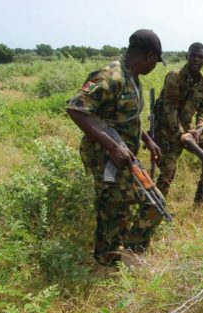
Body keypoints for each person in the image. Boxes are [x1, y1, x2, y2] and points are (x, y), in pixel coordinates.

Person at [66, 29, 165, 266]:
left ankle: (123, 255)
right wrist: (112, 147)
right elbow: (76, 109)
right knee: (117, 208)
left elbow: (124, 117)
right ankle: (108, 261)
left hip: (125, 157)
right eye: (156, 61)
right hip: (106, 158)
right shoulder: (111, 76)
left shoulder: (132, 78)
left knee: (131, 207)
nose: (155, 67)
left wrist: (147, 140)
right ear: (149, 56)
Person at [154, 42, 203, 203]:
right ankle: (156, 206)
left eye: (200, 57)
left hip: (187, 131)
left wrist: (199, 130)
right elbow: (169, 109)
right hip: (166, 130)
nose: (196, 59)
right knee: (169, 170)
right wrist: (181, 134)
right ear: (186, 57)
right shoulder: (174, 76)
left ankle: (202, 195)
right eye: (193, 56)